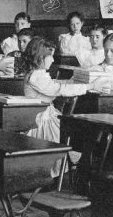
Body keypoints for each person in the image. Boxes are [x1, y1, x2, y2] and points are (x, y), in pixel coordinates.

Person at [23, 37, 99, 175]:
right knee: (67, 137)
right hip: (40, 120)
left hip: (46, 114)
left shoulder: (38, 74)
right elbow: (57, 89)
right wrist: (88, 86)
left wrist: (72, 81)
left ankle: (74, 164)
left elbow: (55, 83)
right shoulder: (35, 77)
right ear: (40, 57)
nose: (53, 60)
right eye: (50, 56)